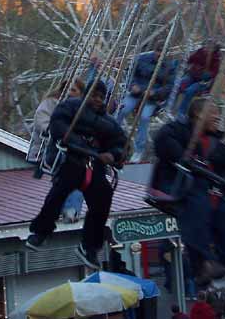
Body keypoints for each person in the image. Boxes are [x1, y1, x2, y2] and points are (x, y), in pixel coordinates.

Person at [153, 97, 225, 292]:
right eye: (214, 114)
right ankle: (203, 264)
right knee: (197, 208)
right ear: (198, 114)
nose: (218, 118)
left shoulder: (216, 145)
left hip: (208, 192)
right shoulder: (178, 131)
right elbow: (163, 141)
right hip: (180, 188)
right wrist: (185, 157)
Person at [26, 80, 127, 269]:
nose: (97, 100)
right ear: (86, 95)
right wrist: (77, 143)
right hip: (73, 159)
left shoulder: (109, 121)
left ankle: (90, 246)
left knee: (103, 200)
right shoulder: (71, 107)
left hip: (94, 165)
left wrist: (113, 155)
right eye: (93, 95)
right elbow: (58, 124)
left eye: (100, 97)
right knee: (58, 194)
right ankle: (41, 231)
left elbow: (120, 143)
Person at [27, 78, 86, 223]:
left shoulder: (83, 108)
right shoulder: (52, 103)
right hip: (51, 147)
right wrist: (58, 132)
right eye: (68, 90)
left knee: (80, 173)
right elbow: (41, 121)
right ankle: (69, 209)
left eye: (74, 91)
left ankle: (66, 209)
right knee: (73, 170)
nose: (70, 94)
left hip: (74, 149)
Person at [117, 41, 175, 162]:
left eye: (162, 53)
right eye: (158, 52)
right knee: (123, 109)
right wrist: (132, 85)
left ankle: (139, 150)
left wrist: (156, 93)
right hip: (136, 92)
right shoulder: (142, 59)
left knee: (144, 117)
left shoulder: (169, 67)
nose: (159, 55)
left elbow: (169, 86)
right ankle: (112, 132)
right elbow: (129, 72)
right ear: (155, 51)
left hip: (151, 98)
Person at [177, 40, 222, 119]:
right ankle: (166, 105)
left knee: (189, 91)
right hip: (193, 76)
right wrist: (187, 62)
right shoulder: (200, 52)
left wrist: (203, 73)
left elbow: (212, 74)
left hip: (202, 82)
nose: (206, 48)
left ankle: (181, 113)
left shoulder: (216, 59)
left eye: (209, 47)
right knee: (178, 85)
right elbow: (191, 59)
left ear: (214, 49)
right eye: (206, 46)